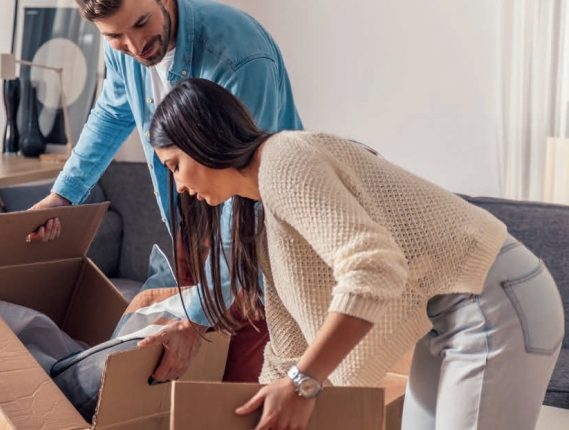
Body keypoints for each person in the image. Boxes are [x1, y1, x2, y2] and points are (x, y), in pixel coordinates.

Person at [148, 78, 564, 430]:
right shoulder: (261, 217)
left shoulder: (283, 160)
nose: (179, 185)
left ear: (201, 139)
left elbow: (373, 269)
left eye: (175, 165)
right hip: (449, 316)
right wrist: (265, 410)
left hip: (495, 297)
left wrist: (302, 384)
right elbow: (288, 344)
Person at [29, 0, 303, 383]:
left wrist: (196, 320)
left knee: (242, 383)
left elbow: (247, 193)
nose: (135, 45)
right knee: (178, 375)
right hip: (190, 221)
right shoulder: (124, 50)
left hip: (252, 235)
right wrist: (63, 195)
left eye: (142, 22)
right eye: (115, 36)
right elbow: (112, 113)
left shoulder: (239, 56)